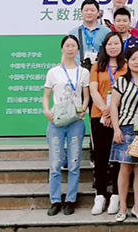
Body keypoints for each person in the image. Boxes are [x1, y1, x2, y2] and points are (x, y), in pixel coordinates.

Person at [43, 35, 90, 216]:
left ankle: (71, 199)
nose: (70, 48)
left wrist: (84, 109)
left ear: (78, 49)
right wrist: (47, 111)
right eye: (67, 45)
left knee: (74, 162)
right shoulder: (53, 72)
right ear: (62, 48)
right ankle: (55, 200)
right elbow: (46, 96)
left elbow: (86, 95)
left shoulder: (83, 72)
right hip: (56, 122)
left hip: (75, 122)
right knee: (55, 163)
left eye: (73, 46)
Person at [110, 46, 138, 222]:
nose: (137, 62)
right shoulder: (121, 81)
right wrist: (116, 129)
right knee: (125, 168)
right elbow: (114, 106)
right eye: (133, 59)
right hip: (125, 128)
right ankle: (123, 207)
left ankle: (137, 207)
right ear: (127, 61)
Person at [89, 33, 127, 216]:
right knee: (101, 157)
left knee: (118, 158)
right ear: (105, 46)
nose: (113, 47)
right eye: (110, 44)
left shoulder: (126, 66)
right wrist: (105, 108)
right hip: (100, 115)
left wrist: (113, 112)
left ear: (121, 45)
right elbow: (93, 90)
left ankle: (116, 196)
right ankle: (100, 195)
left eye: (116, 43)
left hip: (120, 118)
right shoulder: (97, 66)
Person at [70, 0, 111, 67]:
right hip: (79, 69)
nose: (89, 13)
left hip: (100, 69)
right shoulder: (73, 33)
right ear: (81, 12)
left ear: (98, 13)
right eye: (86, 10)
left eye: (92, 10)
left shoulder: (107, 32)